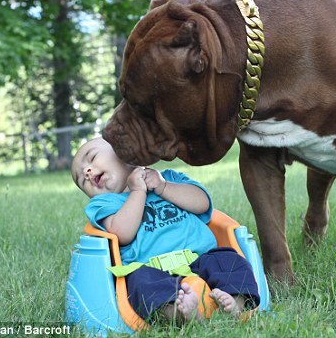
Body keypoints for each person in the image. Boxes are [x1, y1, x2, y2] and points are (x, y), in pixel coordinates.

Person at [71, 137, 260, 324]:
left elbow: (202, 203)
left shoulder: (169, 178)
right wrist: (138, 192)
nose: (86, 172)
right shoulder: (104, 204)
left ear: (122, 150)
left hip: (200, 258)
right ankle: (180, 314)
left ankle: (235, 303)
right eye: (81, 180)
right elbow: (122, 233)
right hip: (151, 270)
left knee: (229, 259)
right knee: (141, 286)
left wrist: (163, 187)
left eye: (92, 157)